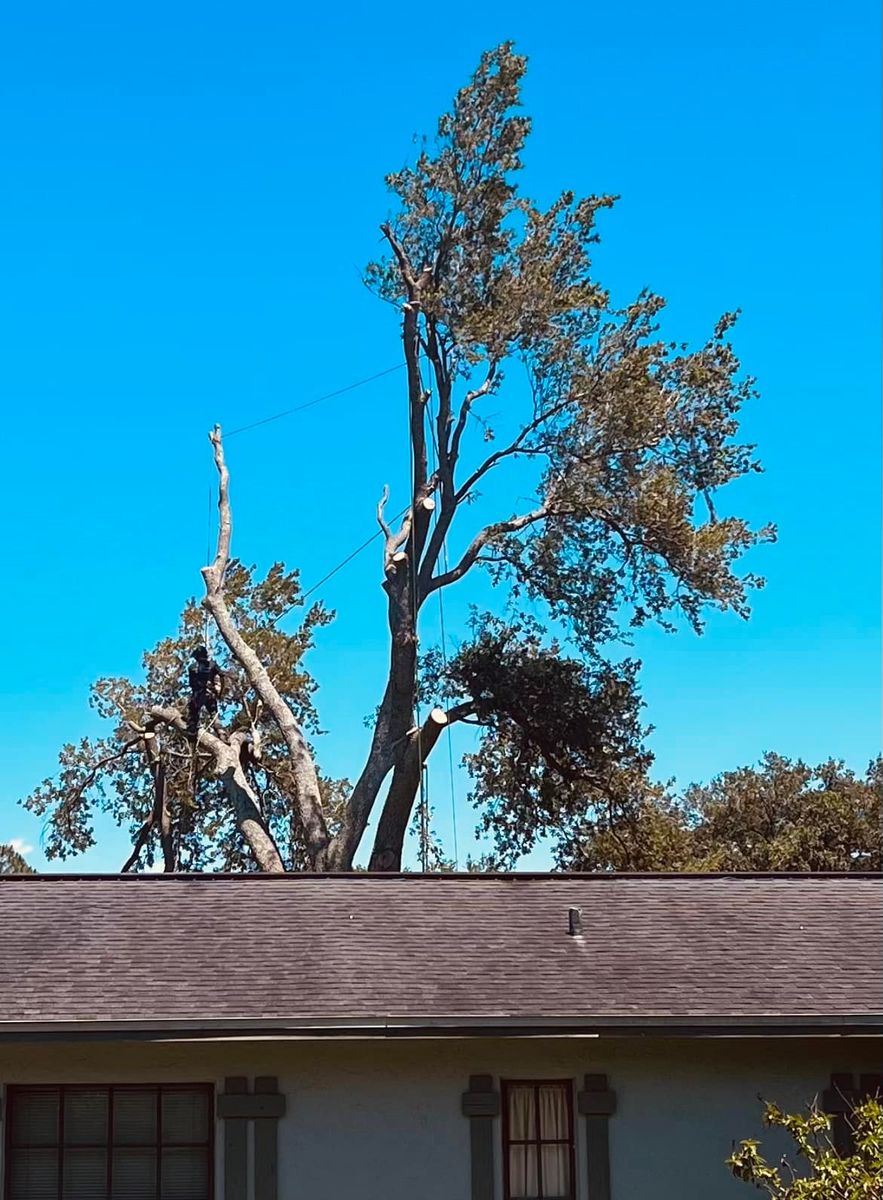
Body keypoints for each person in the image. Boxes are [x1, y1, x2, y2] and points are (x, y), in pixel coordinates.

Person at [186, 645, 223, 735]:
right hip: (211, 693)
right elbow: (222, 676)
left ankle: (192, 731)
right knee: (214, 714)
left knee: (193, 712)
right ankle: (222, 734)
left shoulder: (191, 667)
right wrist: (219, 692)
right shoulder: (213, 665)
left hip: (198, 695)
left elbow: (191, 684)